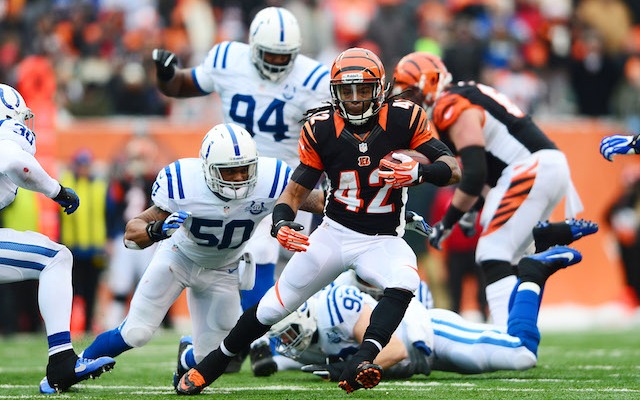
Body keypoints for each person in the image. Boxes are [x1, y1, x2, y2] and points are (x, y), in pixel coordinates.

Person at [174, 47, 461, 395]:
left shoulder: (405, 117)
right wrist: (281, 223)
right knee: (272, 307)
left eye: (363, 90)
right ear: (334, 92)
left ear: (381, 88)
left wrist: (420, 171)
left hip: (382, 238)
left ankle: (364, 359)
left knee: (404, 279)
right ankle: (209, 367)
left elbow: (453, 169)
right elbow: (294, 192)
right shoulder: (320, 127)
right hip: (334, 234)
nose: (355, 100)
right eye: (346, 91)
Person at [152, 7, 332, 373]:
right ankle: (261, 340)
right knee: (259, 252)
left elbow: (332, 131)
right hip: (235, 173)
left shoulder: (314, 77)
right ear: (252, 47)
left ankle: (214, 346)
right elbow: (183, 86)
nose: (279, 62)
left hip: (290, 177)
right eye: (271, 55)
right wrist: (167, 76)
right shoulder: (226, 58)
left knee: (306, 263)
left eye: (286, 56)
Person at [78, 123, 325, 388]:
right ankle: (75, 364)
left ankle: (186, 357)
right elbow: (132, 232)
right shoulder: (183, 181)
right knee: (136, 332)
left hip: (224, 270)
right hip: (179, 260)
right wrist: (156, 229)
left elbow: (319, 201)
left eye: (245, 169)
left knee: (213, 356)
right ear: (208, 168)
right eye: (230, 171)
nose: (240, 177)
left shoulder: (271, 177)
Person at [392, 51, 586, 328]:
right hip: (541, 167)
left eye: (411, 94)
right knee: (516, 257)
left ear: (430, 83)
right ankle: (539, 253)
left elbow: (474, 173)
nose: (409, 103)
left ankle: (508, 335)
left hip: (530, 168)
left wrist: (446, 225)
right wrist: (471, 213)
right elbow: (485, 176)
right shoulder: (464, 94)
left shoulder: (450, 104)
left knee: (491, 251)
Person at [271, 220, 597, 381]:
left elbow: (394, 349)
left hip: (430, 334)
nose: (289, 341)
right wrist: (262, 354)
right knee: (507, 336)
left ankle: (532, 271)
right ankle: (531, 251)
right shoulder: (300, 339)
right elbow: (279, 359)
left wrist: (345, 370)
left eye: (288, 332)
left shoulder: (335, 303)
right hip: (426, 359)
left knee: (522, 353)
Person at [0, 83, 115, 393]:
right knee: (55, 258)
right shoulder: (7, 133)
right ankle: (62, 360)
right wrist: (57, 191)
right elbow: (15, 162)